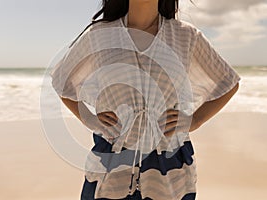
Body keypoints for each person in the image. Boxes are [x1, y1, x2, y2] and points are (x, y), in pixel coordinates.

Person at [50, 0, 241, 199]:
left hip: (170, 162)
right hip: (111, 159)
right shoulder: (100, 35)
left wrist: (195, 120)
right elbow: (62, 80)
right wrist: (88, 118)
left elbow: (228, 82)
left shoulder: (186, 36)